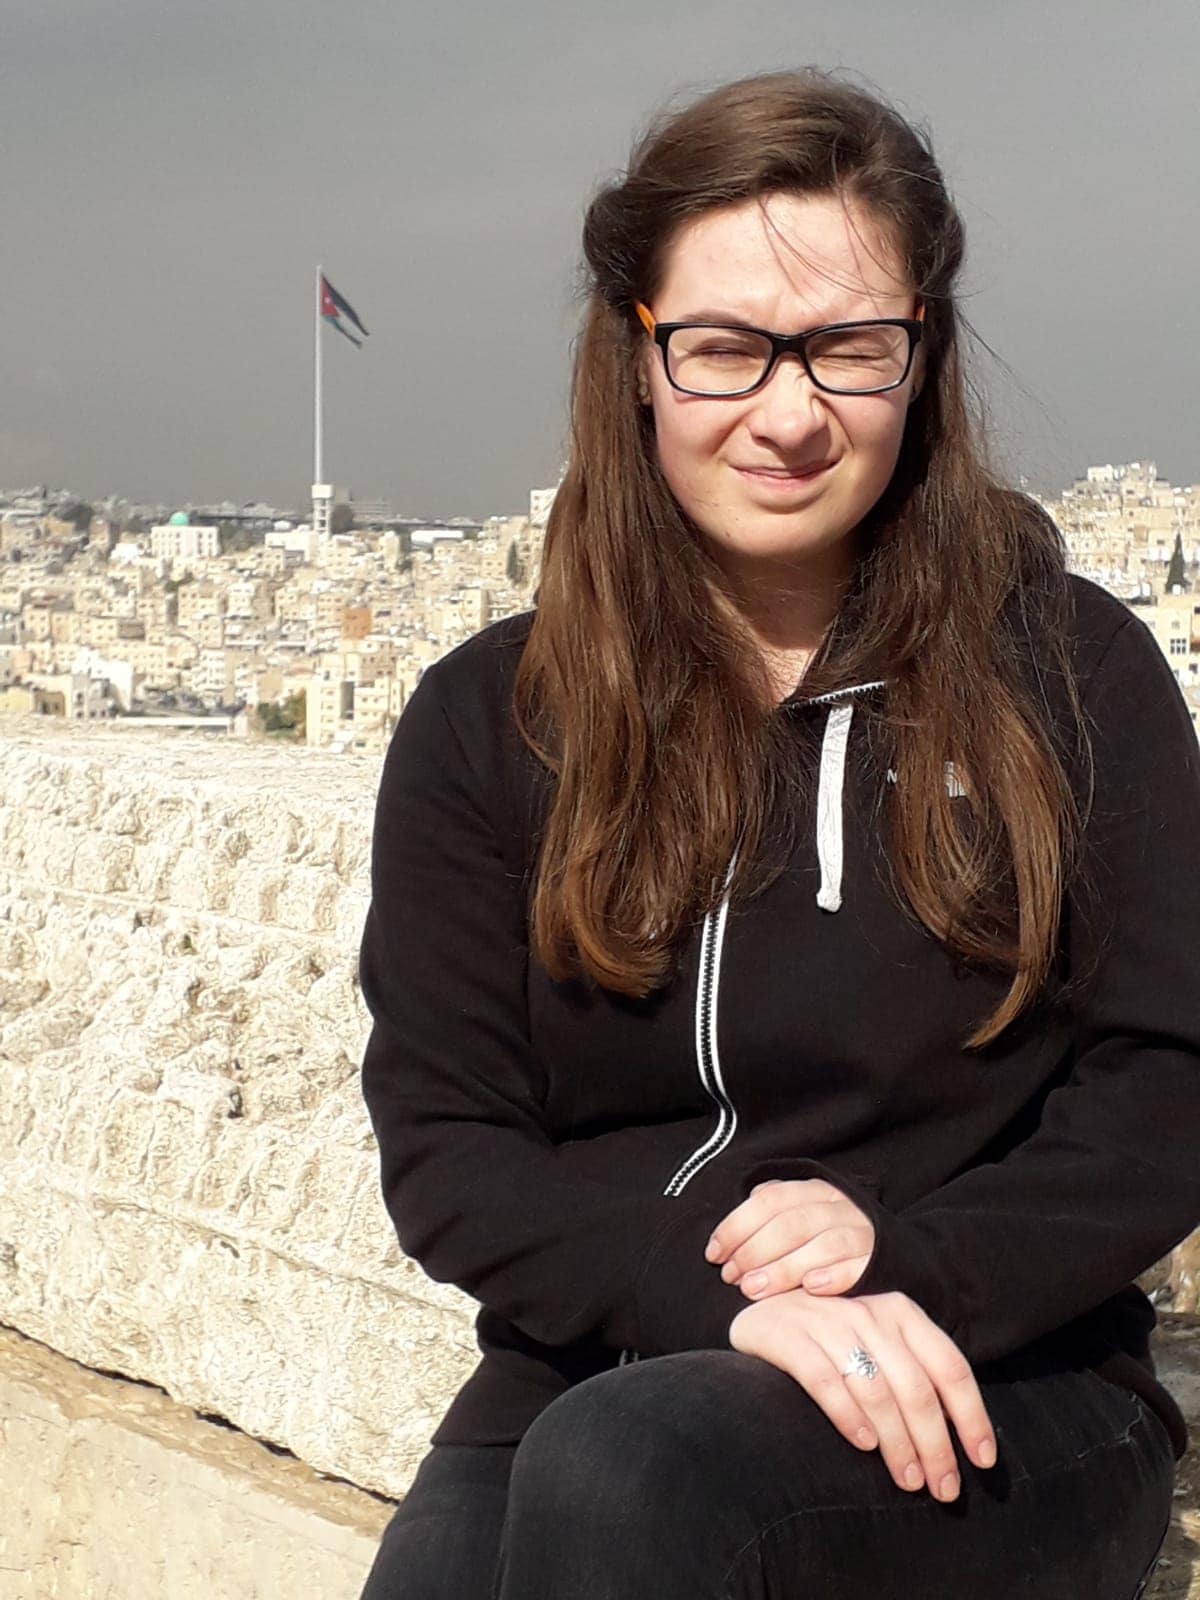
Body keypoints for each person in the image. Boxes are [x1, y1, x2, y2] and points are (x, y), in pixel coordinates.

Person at [356, 68, 1198, 1600]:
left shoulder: (1068, 676)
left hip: (999, 1365)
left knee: (634, 1480)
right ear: (638, 359)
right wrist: (715, 1293)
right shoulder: (499, 720)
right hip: (594, 1361)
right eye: (727, 349)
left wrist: (904, 1256)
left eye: (849, 349)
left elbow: (1169, 1079)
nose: (792, 414)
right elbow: (449, 1143)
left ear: (921, 357)